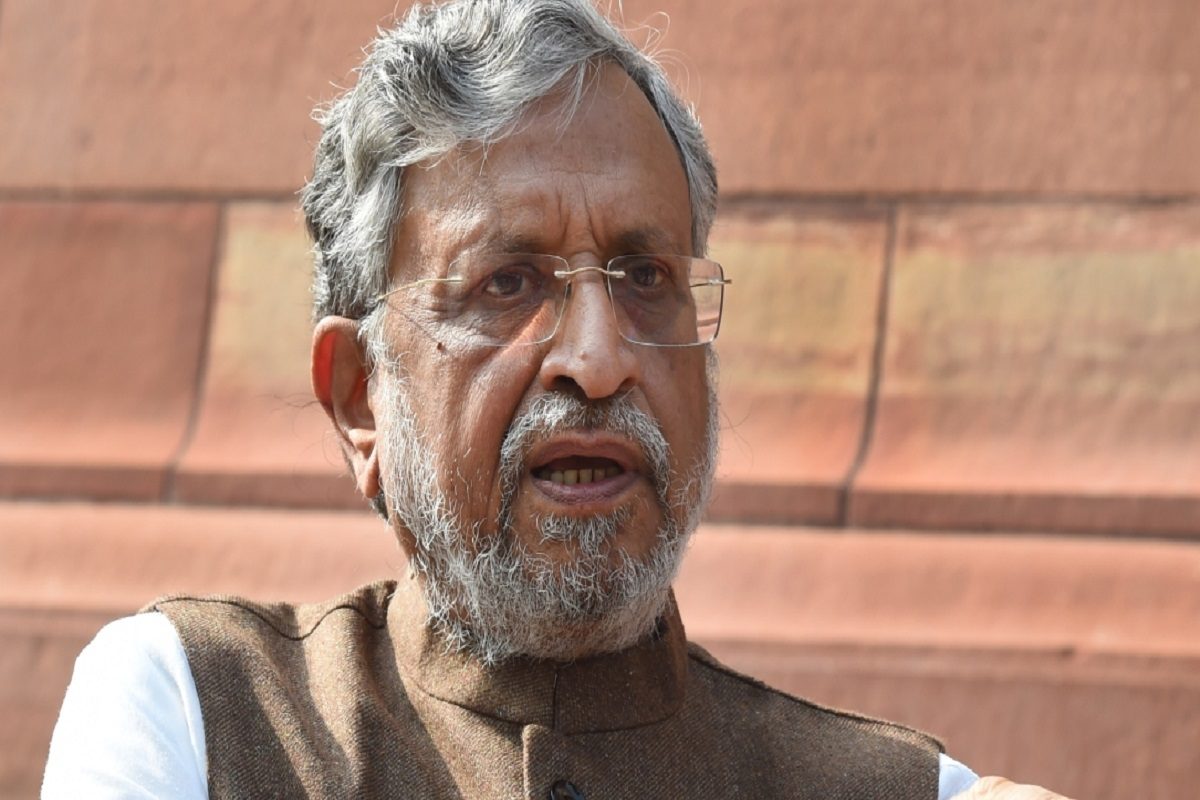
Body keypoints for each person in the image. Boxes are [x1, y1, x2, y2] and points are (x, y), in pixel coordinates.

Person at [43, 1, 1071, 798]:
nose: (598, 358)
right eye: (507, 282)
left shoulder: (898, 790)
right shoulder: (199, 714)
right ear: (360, 397)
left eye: (645, 276)